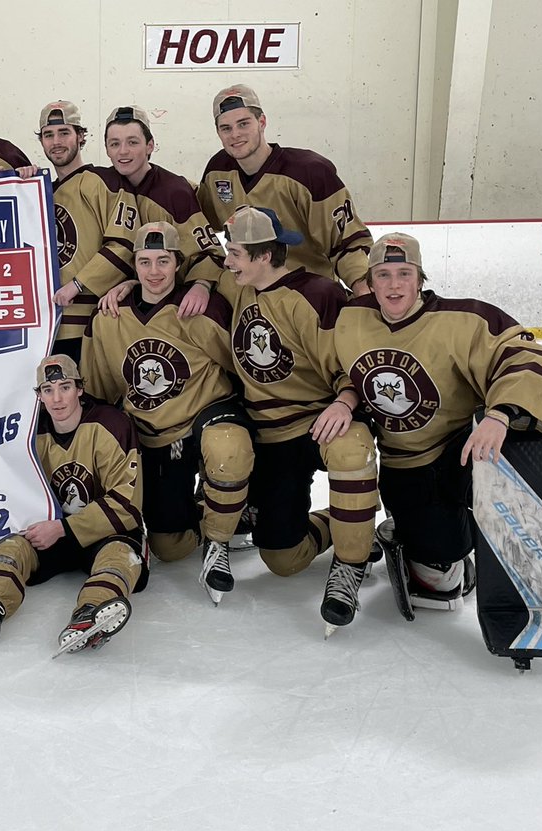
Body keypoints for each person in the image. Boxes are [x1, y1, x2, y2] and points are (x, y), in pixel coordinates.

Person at [334, 232, 542, 611]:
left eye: (404, 273)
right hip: (402, 464)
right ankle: (423, 535)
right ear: (370, 282)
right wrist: (346, 399)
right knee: (440, 584)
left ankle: (466, 534)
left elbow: (528, 357)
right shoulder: (351, 319)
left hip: (458, 449)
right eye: (384, 275)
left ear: (420, 278)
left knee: (502, 463)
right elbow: (338, 370)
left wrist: (501, 413)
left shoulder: (465, 318)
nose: (394, 285)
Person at [220, 205, 379, 633]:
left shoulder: (318, 294)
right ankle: (344, 522)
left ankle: (351, 562)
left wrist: (345, 402)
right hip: (274, 436)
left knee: (350, 450)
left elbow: (355, 362)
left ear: (262, 255)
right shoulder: (241, 287)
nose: (227, 261)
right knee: (281, 558)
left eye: (235, 253)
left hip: (324, 418)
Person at [0, 354, 144, 653]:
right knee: (11, 547)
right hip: (54, 531)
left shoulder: (111, 424)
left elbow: (128, 504)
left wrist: (63, 528)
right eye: (48, 391)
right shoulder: (28, 430)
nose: (57, 398)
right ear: (38, 396)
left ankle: (91, 614)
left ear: (80, 389)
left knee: (120, 555)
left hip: (107, 532)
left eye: (64, 387)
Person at [82, 222, 253, 603]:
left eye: (164, 260)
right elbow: (100, 390)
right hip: (157, 436)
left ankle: (218, 542)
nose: (154, 271)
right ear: (134, 265)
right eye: (145, 261)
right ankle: (212, 505)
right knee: (170, 547)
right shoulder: (110, 317)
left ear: (178, 263)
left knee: (227, 449)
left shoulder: (200, 309)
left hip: (208, 415)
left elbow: (241, 369)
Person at [199, 84, 372, 296]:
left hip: (307, 297)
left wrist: (363, 290)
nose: (235, 134)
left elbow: (347, 242)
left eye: (243, 124)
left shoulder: (310, 172)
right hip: (247, 297)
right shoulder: (217, 171)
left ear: (262, 122)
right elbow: (198, 221)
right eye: (226, 128)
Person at [37, 100, 139, 362]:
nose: (56, 141)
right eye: (48, 135)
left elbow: (124, 244)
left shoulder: (106, 181)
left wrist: (77, 284)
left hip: (93, 322)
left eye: (64, 133)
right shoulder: (38, 192)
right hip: (43, 328)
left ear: (81, 136)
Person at [102, 105, 225, 298]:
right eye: (115, 144)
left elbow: (209, 253)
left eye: (133, 142)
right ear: (107, 149)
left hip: (171, 297)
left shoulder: (174, 192)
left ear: (150, 145)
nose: (123, 151)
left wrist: (202, 284)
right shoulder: (102, 187)